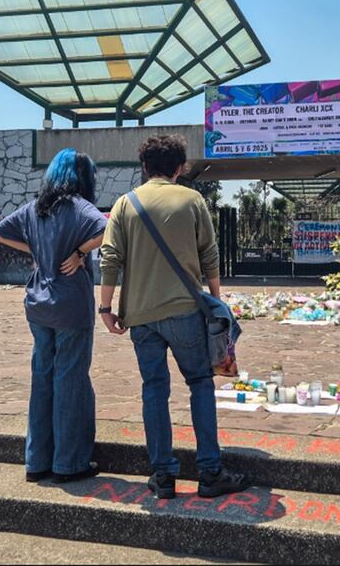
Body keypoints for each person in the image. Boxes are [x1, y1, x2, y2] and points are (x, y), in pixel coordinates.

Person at [92, 134, 249, 500]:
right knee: (200, 384)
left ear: (144, 167)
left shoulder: (124, 204)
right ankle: (210, 471)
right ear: (179, 168)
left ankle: (162, 476)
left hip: (141, 317)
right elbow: (209, 256)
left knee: (154, 390)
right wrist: (216, 304)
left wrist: (105, 308)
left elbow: (110, 258)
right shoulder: (192, 200)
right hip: (185, 313)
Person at [0, 148, 107, 484]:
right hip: (71, 305)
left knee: (42, 380)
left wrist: (39, 252)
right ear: (83, 176)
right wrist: (81, 251)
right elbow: (111, 228)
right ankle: (69, 463)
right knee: (70, 381)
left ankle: (36, 461)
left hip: (38, 305)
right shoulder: (80, 207)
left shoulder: (34, 208)